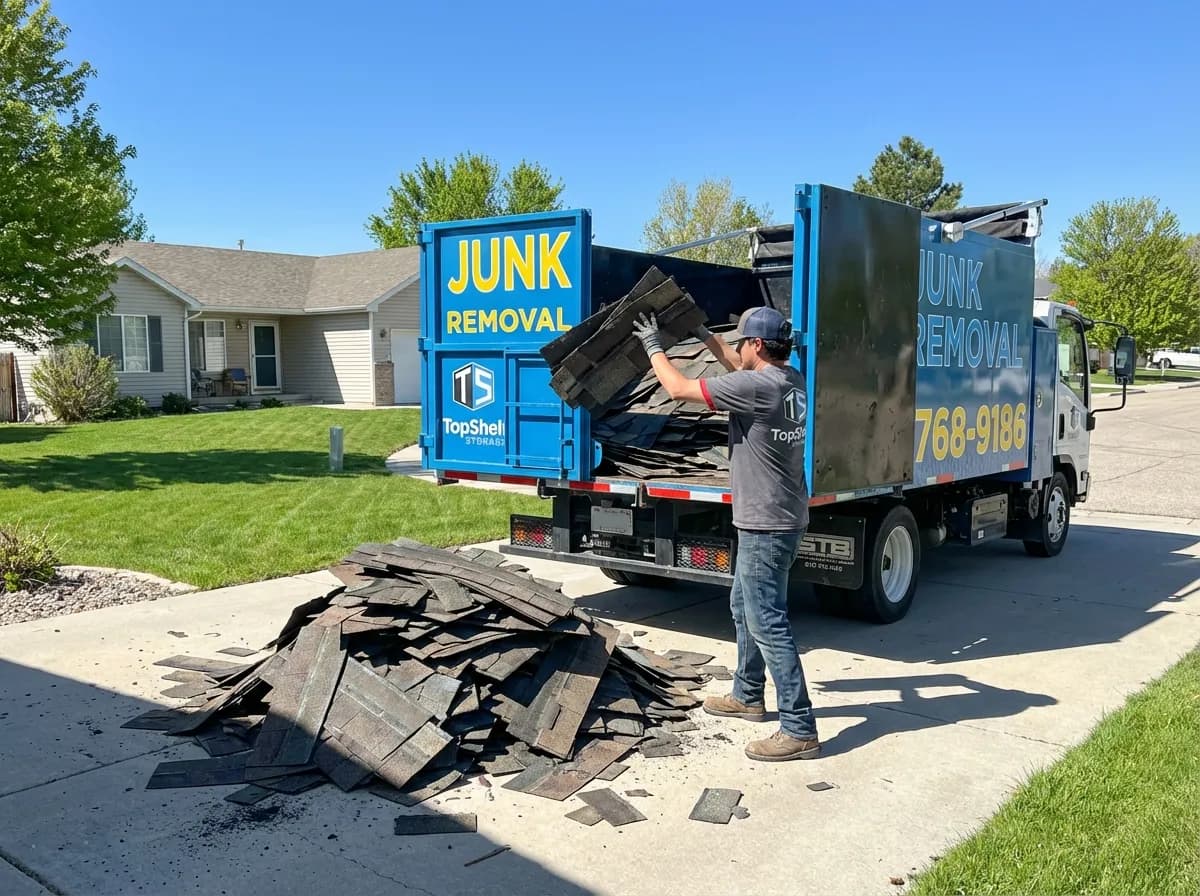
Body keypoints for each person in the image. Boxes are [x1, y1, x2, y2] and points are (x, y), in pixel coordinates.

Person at [632, 305, 819, 761]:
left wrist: (653, 346)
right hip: (783, 514)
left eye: (740, 341)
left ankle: (799, 728)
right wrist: (702, 332)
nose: (734, 347)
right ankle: (747, 695)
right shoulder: (788, 379)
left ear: (757, 345)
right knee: (742, 605)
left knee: (767, 620)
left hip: (765, 522)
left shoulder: (757, 387)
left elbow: (676, 388)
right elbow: (737, 366)